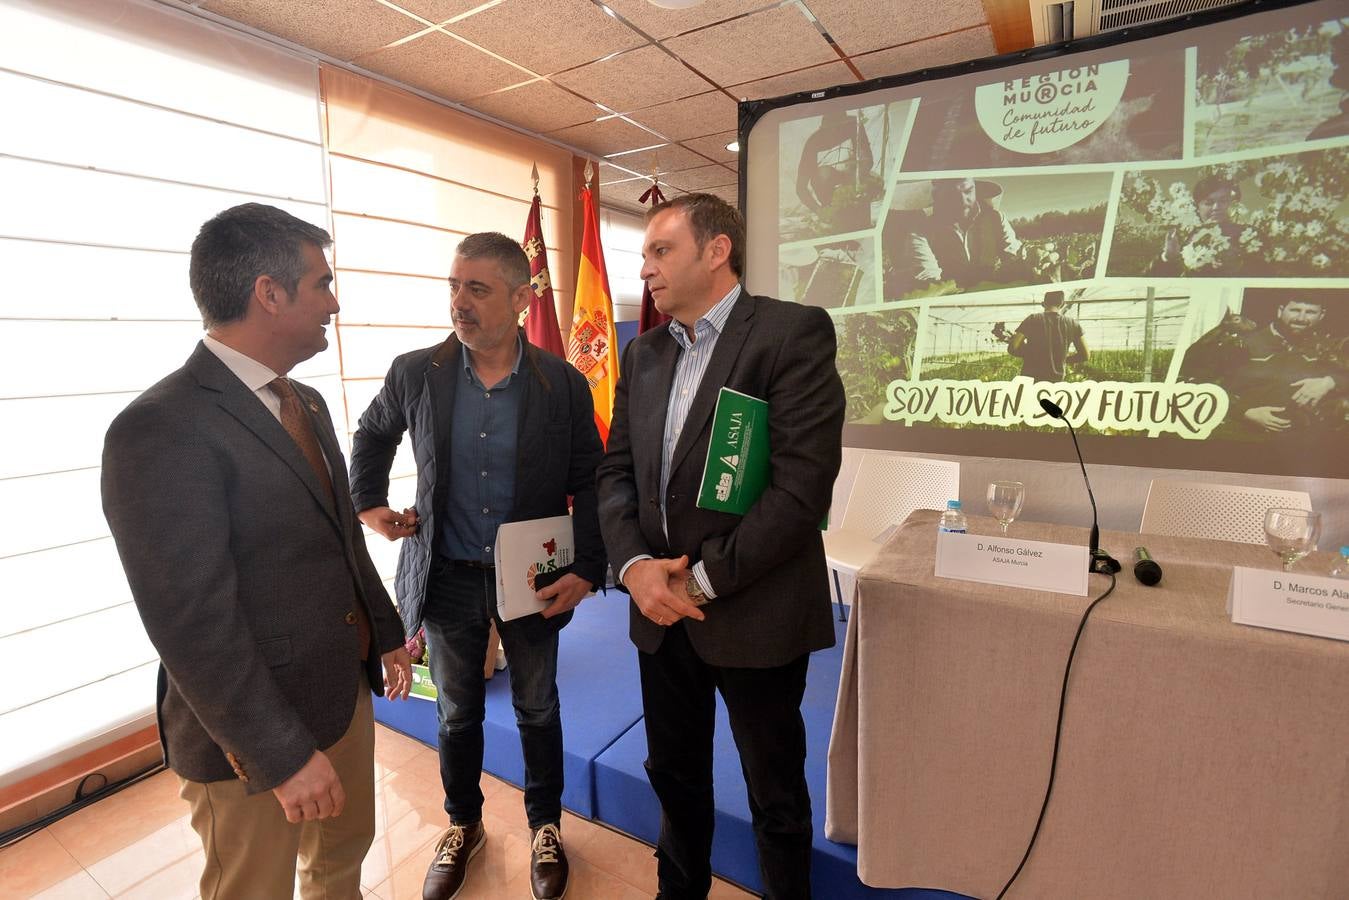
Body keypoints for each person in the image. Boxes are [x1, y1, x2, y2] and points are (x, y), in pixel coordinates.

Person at [101, 203, 412, 899]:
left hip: (340, 695)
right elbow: (191, 623)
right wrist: (279, 754)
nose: (335, 302)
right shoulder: (158, 429)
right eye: (322, 284)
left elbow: (339, 537)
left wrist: (384, 632)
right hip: (253, 735)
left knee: (340, 866)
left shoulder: (304, 402)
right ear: (269, 294)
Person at [596, 193, 845, 900]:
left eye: (660, 250)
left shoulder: (789, 334)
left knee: (774, 790)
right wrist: (639, 569)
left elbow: (800, 490)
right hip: (657, 608)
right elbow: (615, 473)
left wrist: (696, 583)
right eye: (643, 254)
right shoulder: (643, 354)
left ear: (716, 251)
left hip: (753, 609)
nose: (644, 267)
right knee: (673, 778)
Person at [348, 232, 605, 900]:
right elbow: (373, 433)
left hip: (533, 578)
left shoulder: (563, 384)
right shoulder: (416, 371)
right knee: (457, 714)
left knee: (536, 707)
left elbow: (594, 481)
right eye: (454, 287)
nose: (458, 304)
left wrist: (590, 564)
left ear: (521, 299)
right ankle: (463, 824)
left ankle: (545, 824)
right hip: (447, 575)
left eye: (477, 289)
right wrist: (369, 504)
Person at [1214, 295, 1347, 437]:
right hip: (1243, 433)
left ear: (1321, 315)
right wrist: (1245, 412)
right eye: (1295, 310)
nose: (1301, 318)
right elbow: (1209, 383)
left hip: (1302, 439)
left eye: (1310, 312)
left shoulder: (1328, 346)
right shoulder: (1244, 342)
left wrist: (1329, 382)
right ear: (1280, 310)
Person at [884, 176, 1024, 297]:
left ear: (975, 189)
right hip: (947, 292)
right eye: (952, 195)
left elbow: (1014, 258)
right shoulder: (921, 229)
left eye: (968, 191)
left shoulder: (995, 219)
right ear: (937, 196)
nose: (963, 201)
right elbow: (929, 278)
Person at [1151, 173, 1244, 276]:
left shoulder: (1249, 235)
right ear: (1197, 208)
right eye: (1209, 202)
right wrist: (1169, 257)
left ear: (1231, 203)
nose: (1217, 207)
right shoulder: (1189, 240)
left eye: (1223, 201)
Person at [1009, 289, 1089, 382]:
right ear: (1062, 304)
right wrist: (1063, 360)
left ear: (1043, 303)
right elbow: (1085, 355)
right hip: (1055, 381)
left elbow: (1012, 348)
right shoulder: (1073, 324)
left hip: (1031, 379)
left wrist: (1030, 355)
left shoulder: (1032, 319)